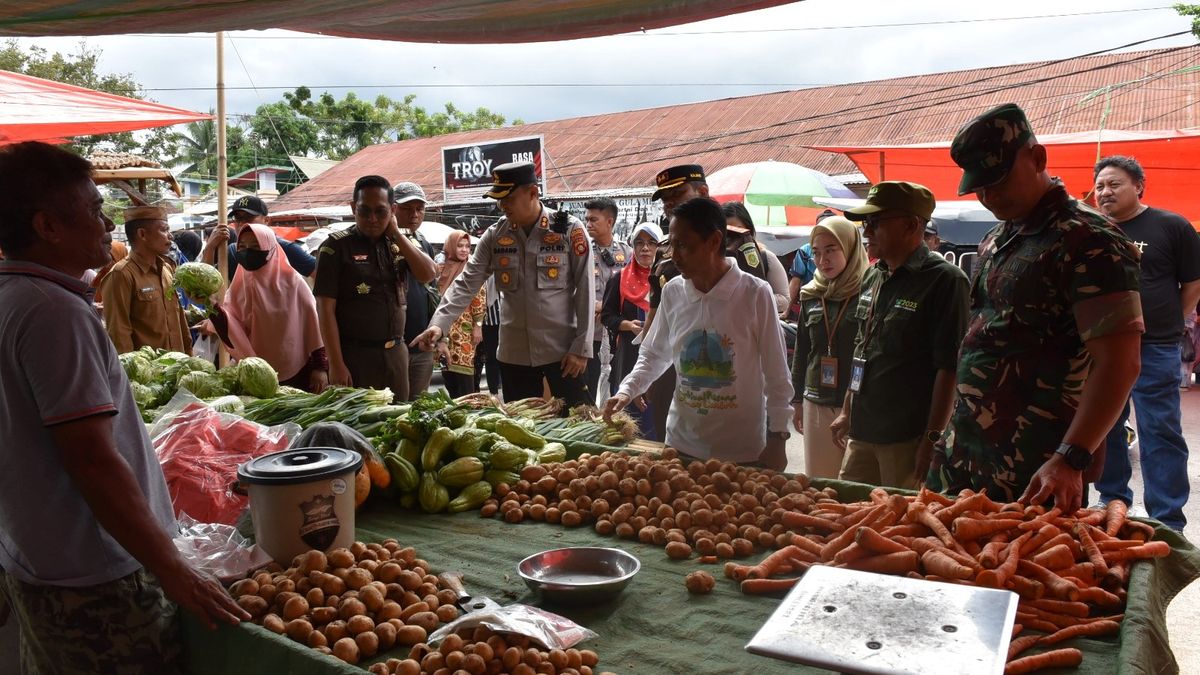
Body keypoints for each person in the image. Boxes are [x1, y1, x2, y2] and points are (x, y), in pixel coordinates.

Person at [0, 141, 247, 674]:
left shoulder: (12, 297)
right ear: (47, 226)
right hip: (96, 577)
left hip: (41, 561)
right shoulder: (55, 314)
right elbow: (91, 459)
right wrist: (172, 569)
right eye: (92, 209)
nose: (107, 221)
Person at [928, 103, 1143, 515]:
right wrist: (943, 437)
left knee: (1018, 574)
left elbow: (1120, 363)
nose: (989, 196)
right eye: (979, 187)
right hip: (963, 456)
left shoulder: (1091, 241)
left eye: (998, 180)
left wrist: (1073, 455)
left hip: (1034, 468)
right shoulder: (996, 239)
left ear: (1038, 158)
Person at [604, 197, 793, 468]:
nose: (675, 255)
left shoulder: (754, 294)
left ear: (714, 241)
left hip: (742, 451)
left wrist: (778, 438)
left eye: (683, 245)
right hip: (681, 444)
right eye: (672, 244)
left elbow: (777, 374)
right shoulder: (673, 291)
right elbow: (654, 354)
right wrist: (627, 390)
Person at [412, 162, 595, 406]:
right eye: (499, 199)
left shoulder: (569, 230)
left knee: (576, 426)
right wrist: (439, 325)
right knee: (522, 430)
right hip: (514, 355)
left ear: (533, 193)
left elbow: (585, 288)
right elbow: (467, 283)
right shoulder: (496, 235)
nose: (502, 205)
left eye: (508, 197)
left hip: (562, 353)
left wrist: (581, 348)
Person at [829, 182, 970, 489]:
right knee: (846, 510)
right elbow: (862, 349)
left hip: (905, 439)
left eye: (875, 223)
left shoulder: (945, 281)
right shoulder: (873, 275)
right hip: (862, 430)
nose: (867, 232)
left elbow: (948, 368)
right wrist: (846, 411)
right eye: (866, 223)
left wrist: (932, 438)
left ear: (910, 225)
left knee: (897, 525)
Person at [1091, 155, 1200, 530]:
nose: (1105, 192)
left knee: (1160, 430)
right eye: (1100, 185)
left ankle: (1167, 518)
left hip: (1154, 348)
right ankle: (1112, 500)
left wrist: (1167, 323)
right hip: (1102, 350)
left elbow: (1193, 284)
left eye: (1114, 184)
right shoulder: (1089, 230)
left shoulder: (1171, 226)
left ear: (1138, 186)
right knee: (1104, 426)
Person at [314, 175, 437, 401]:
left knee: (398, 422)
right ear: (353, 208)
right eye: (364, 211)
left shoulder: (398, 242)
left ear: (392, 210)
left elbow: (428, 274)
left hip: (396, 354)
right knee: (359, 428)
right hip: (355, 356)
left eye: (380, 212)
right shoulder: (336, 247)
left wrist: (397, 234)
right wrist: (336, 363)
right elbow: (324, 309)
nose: (372, 219)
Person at [790, 216, 874, 478]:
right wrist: (796, 400)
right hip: (816, 400)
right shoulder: (810, 295)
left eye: (830, 250)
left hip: (859, 404)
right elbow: (802, 350)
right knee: (820, 481)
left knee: (857, 486)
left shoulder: (870, 291)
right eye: (816, 253)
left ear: (849, 248)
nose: (822, 260)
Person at [204, 223, 329, 393]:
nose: (248, 252)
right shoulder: (239, 285)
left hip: (296, 372)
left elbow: (313, 326)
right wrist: (210, 305)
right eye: (242, 247)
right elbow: (230, 327)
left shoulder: (292, 283)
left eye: (256, 247)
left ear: (270, 248)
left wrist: (320, 368)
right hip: (255, 374)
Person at [100, 206, 192, 354]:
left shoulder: (167, 269)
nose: (170, 236)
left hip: (177, 367)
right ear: (142, 234)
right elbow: (119, 335)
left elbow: (179, 320)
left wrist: (188, 357)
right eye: (164, 230)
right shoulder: (121, 275)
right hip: (149, 373)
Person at [600, 222, 663, 438]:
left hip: (662, 354)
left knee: (657, 405)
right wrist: (627, 325)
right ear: (633, 247)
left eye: (651, 243)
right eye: (639, 243)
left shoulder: (667, 279)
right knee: (629, 411)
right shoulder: (620, 279)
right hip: (629, 355)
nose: (645, 248)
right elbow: (607, 315)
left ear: (660, 246)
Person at [392, 181, 440, 400]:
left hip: (422, 343)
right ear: (393, 209)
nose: (415, 215)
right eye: (407, 209)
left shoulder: (423, 242)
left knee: (419, 406)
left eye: (419, 209)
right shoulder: (382, 241)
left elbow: (432, 292)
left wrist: (439, 336)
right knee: (393, 408)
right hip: (392, 346)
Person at [584, 197, 633, 401]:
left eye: (594, 220)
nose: (588, 224)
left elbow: (633, 290)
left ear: (610, 222)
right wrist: (592, 305)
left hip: (618, 332)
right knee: (587, 386)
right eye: (586, 219)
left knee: (617, 383)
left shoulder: (627, 252)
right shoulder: (581, 252)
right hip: (590, 334)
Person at [200, 195, 317, 280]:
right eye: (238, 218)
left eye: (248, 217)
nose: (242, 223)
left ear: (266, 220)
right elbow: (206, 282)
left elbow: (321, 277)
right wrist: (211, 246)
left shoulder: (286, 249)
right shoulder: (232, 251)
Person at [435, 230, 486, 398]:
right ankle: (455, 407)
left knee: (465, 372)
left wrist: (477, 326)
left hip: (465, 329)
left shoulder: (471, 268)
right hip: (443, 326)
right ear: (450, 246)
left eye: (467, 246)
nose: (464, 250)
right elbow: (434, 295)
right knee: (447, 373)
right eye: (460, 245)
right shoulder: (440, 268)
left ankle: (468, 408)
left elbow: (479, 298)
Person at [722, 201, 790, 315]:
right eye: (728, 231)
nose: (733, 237)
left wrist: (752, 299)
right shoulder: (713, 262)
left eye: (738, 230)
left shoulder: (765, 258)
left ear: (748, 230)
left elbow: (784, 300)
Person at [788, 209, 835, 311]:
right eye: (816, 253)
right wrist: (787, 309)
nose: (822, 261)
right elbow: (795, 281)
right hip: (811, 303)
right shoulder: (804, 251)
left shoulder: (845, 251)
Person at [473, 277, 502, 395]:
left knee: (504, 358)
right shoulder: (485, 273)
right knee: (490, 357)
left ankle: (497, 386)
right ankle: (493, 391)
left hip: (505, 321)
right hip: (487, 322)